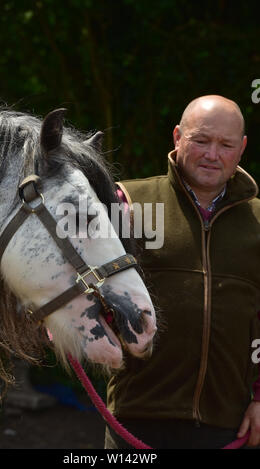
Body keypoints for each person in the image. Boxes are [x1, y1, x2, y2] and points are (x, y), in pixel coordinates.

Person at [105, 95, 260, 449]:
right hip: (135, 417)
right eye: (201, 140)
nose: (212, 154)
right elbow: (77, 287)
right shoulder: (125, 204)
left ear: (242, 148)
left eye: (225, 145)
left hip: (228, 424)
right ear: (177, 137)